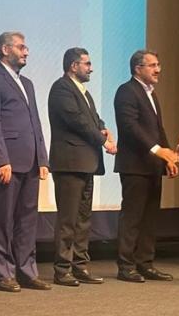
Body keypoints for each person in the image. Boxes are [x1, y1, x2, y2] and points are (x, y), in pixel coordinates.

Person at [0, 32, 50, 293]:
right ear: (5, 49)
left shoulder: (27, 83)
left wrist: (42, 158)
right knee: (3, 220)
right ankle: (4, 274)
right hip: (7, 162)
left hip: (30, 161)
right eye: (21, 47)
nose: (26, 52)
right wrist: (1, 160)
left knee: (28, 220)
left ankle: (27, 271)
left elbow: (35, 122)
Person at [48, 47, 116, 287]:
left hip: (86, 162)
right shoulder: (61, 88)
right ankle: (62, 269)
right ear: (73, 66)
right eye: (86, 64)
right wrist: (104, 141)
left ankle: (80, 266)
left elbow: (92, 119)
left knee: (83, 219)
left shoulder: (83, 91)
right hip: (69, 163)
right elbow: (77, 121)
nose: (91, 68)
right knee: (68, 219)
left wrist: (103, 128)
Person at [113, 49, 179, 283]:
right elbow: (130, 127)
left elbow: (158, 129)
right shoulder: (126, 91)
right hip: (134, 166)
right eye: (152, 65)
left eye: (158, 65)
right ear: (137, 68)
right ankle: (126, 266)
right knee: (132, 217)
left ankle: (145, 263)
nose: (158, 69)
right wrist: (157, 150)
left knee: (150, 218)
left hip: (152, 166)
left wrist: (168, 156)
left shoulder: (151, 93)